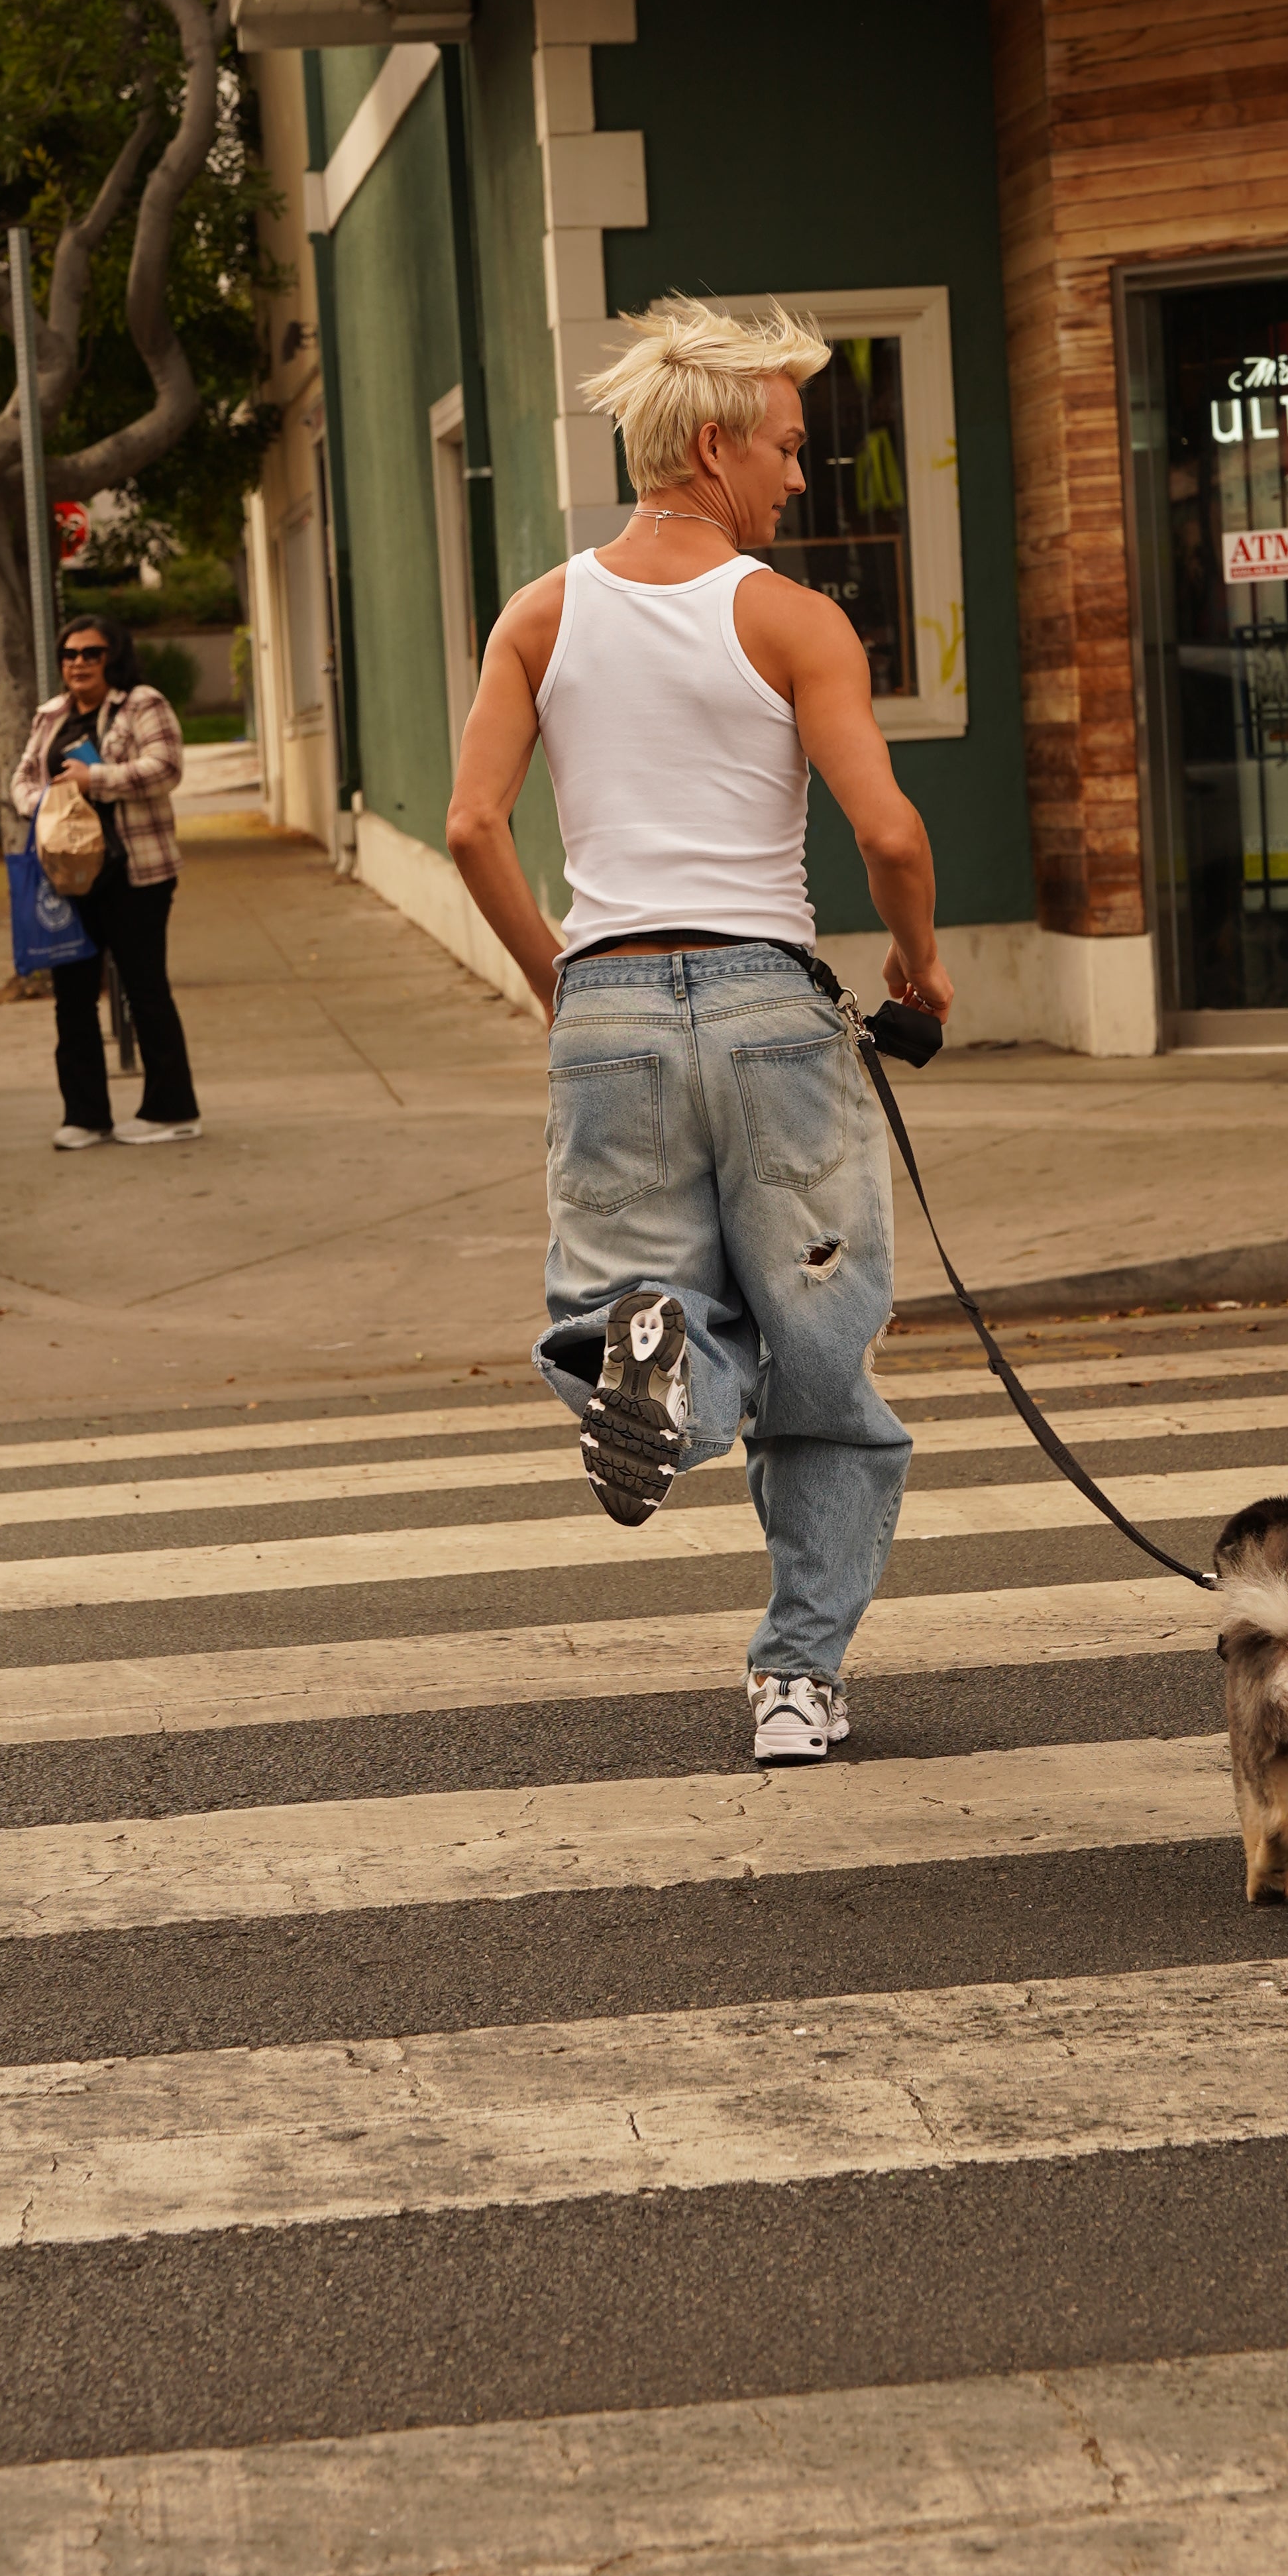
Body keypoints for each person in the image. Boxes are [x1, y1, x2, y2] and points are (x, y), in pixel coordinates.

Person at [445, 294, 954, 1767]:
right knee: (823, 1363)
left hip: (606, 1001)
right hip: (768, 1014)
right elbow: (891, 830)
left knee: (620, 1315)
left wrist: (562, 983)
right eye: (788, 448)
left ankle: (658, 1379)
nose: (800, 479)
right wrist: (915, 967)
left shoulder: (537, 615)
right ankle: (797, 1680)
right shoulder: (792, 621)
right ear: (716, 443)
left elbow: (475, 822)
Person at [10, 617, 203, 1152]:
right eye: (70, 654)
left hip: (136, 874)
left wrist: (94, 780)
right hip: (70, 879)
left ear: (112, 657)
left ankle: (172, 1110)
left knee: (146, 990)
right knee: (72, 998)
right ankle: (85, 1115)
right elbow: (21, 780)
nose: (79, 663)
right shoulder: (51, 715)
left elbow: (165, 768)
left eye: (92, 653)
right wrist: (47, 800)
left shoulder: (143, 705)